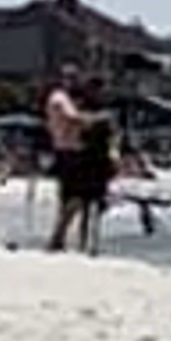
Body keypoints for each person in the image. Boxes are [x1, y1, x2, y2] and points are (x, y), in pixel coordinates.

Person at [42, 73, 115, 254]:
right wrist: (99, 118)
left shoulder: (74, 101)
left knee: (80, 199)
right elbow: (77, 120)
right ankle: (69, 240)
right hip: (77, 154)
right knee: (78, 198)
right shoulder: (62, 99)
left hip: (81, 154)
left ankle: (75, 240)